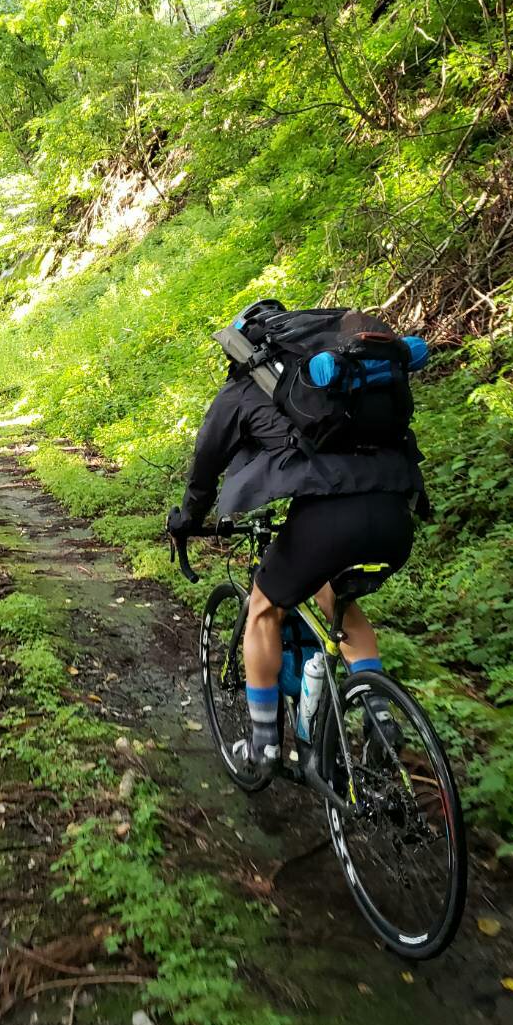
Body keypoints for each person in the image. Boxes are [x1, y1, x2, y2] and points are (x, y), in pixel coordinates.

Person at [166, 319, 426, 777]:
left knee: (264, 607)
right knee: (338, 605)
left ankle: (264, 745)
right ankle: (381, 720)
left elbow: (205, 469)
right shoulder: (336, 384)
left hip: (331, 520)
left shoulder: (247, 391)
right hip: (394, 516)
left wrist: (186, 522)